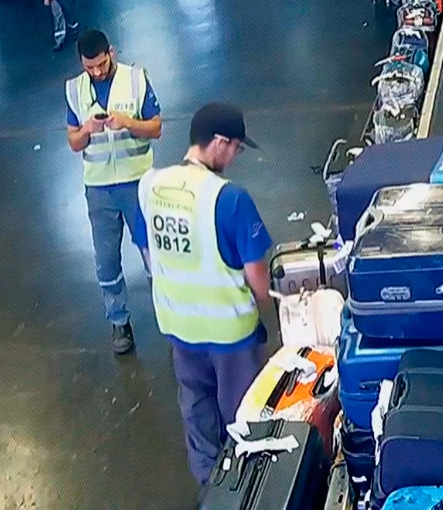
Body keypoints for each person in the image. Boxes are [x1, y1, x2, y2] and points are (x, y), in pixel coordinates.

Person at [138, 103, 272, 487]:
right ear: (218, 143)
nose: (235, 157)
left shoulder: (150, 186)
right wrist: (271, 305)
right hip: (229, 337)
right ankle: (246, 490)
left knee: (197, 416)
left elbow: (151, 251)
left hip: (179, 329)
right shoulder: (229, 199)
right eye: (236, 148)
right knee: (242, 418)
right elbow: (256, 276)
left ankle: (209, 492)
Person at [65, 29, 162, 355]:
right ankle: (119, 321)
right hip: (99, 190)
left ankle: (168, 314)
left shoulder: (136, 80)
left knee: (153, 254)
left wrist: (128, 123)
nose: (96, 72)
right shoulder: (74, 90)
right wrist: (87, 130)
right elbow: (73, 142)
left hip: (137, 184)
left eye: (101, 65)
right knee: (106, 261)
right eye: (89, 67)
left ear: (112, 53)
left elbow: (157, 127)